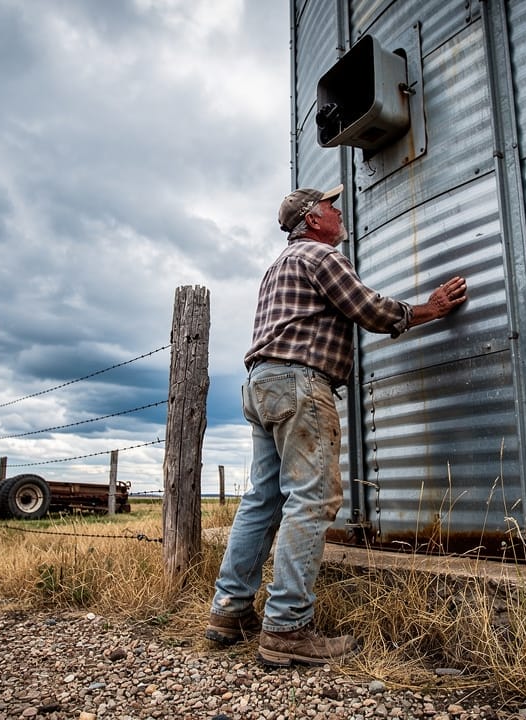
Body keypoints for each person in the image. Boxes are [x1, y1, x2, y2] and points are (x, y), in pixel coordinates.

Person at [205, 183, 468, 667]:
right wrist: (429, 309)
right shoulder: (322, 257)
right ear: (311, 219)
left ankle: (230, 610)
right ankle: (287, 628)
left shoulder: (277, 268)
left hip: (261, 384)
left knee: (263, 499)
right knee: (313, 497)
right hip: (300, 383)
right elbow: (369, 310)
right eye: (330, 206)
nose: (339, 210)